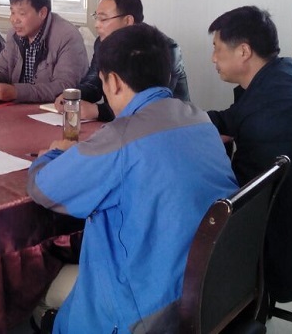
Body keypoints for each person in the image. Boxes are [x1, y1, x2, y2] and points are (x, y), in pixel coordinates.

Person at [27, 24, 237, 333]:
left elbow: (43, 187)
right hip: (213, 288)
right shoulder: (199, 119)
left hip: (147, 310)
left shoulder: (120, 138)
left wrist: (54, 153)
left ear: (113, 82)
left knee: (35, 285)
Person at [207, 6, 292, 303]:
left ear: (244, 51)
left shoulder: (273, 112)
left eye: (217, 48)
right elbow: (231, 119)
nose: (213, 58)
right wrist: (181, 120)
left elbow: (239, 193)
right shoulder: (281, 73)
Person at [54, 0, 189, 121]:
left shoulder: (163, 49)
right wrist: (72, 96)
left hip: (171, 124)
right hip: (121, 124)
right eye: (96, 17)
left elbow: (151, 104)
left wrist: (97, 111)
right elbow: (93, 84)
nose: (96, 24)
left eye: (103, 19)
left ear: (128, 21)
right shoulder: (102, 44)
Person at [0, 0, 88, 103]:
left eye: (22, 14)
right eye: (12, 12)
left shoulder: (67, 36)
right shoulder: (14, 34)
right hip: (17, 106)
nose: (14, 20)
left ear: (42, 13)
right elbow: (1, 70)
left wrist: (17, 92)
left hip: (52, 108)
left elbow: (64, 86)